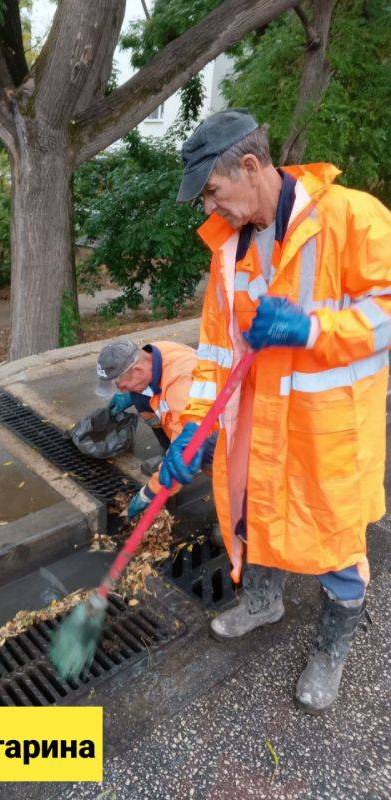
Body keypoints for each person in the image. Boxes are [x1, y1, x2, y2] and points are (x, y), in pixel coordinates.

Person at [159, 108, 391, 713]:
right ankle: (264, 601)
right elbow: (213, 353)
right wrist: (190, 431)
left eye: (213, 191)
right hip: (257, 426)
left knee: (335, 538)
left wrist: (313, 329)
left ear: (252, 167)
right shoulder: (228, 250)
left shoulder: (351, 217)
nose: (211, 209)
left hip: (328, 430)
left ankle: (331, 652)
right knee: (253, 516)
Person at [95, 338, 216, 519]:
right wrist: (131, 395)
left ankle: (240, 523)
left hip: (218, 425)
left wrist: (148, 494)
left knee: (214, 463)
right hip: (196, 415)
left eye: (121, 387)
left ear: (136, 371)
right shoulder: (152, 354)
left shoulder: (180, 387)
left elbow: (184, 452)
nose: (122, 390)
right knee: (140, 399)